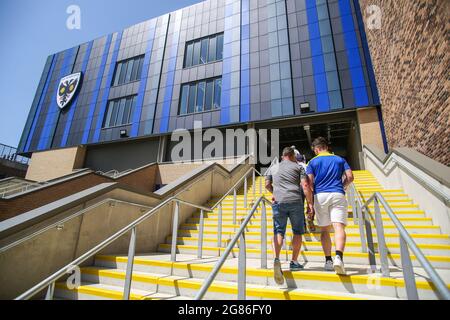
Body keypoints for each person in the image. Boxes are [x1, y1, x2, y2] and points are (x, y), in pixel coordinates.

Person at [265, 146, 314, 285]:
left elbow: (267, 184)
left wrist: (275, 193)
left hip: (278, 202)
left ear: (282, 156)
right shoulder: (298, 167)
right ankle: (294, 261)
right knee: (297, 231)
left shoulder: (273, 167)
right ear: (292, 156)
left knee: (278, 231)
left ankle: (276, 259)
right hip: (295, 201)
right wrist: (310, 204)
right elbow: (305, 186)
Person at [306, 137, 354, 275]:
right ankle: (339, 257)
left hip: (320, 196)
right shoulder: (339, 159)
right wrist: (343, 186)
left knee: (325, 230)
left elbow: (309, 183)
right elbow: (350, 177)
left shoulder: (312, 162)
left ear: (316, 149)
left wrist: (310, 203)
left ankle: (328, 261)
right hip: (337, 194)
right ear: (326, 147)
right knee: (338, 227)